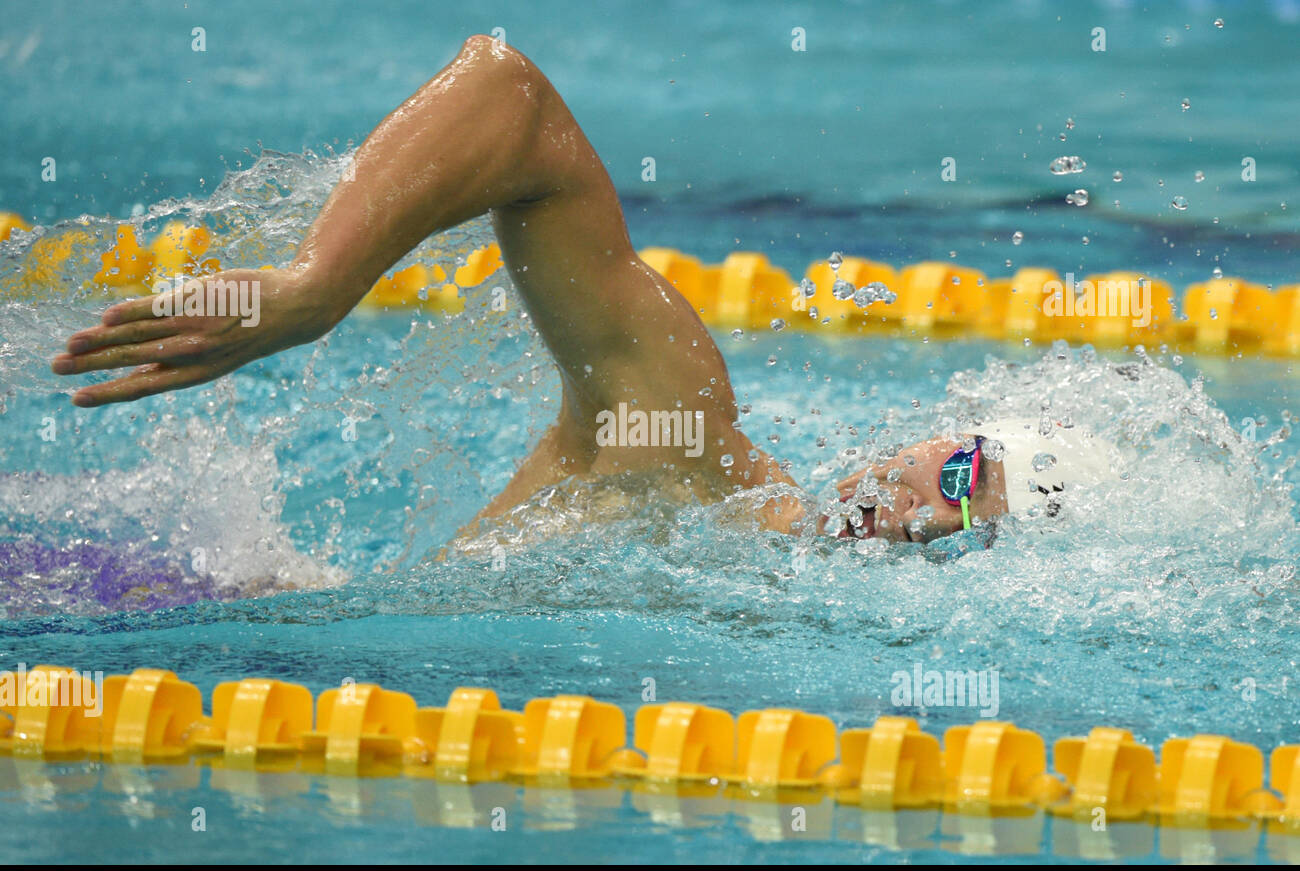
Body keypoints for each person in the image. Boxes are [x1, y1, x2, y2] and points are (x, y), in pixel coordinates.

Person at [51, 36, 1112, 545]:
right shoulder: (689, 441)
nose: (928, 511)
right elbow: (510, 99)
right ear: (938, 437)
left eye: (970, 516)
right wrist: (316, 286)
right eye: (962, 470)